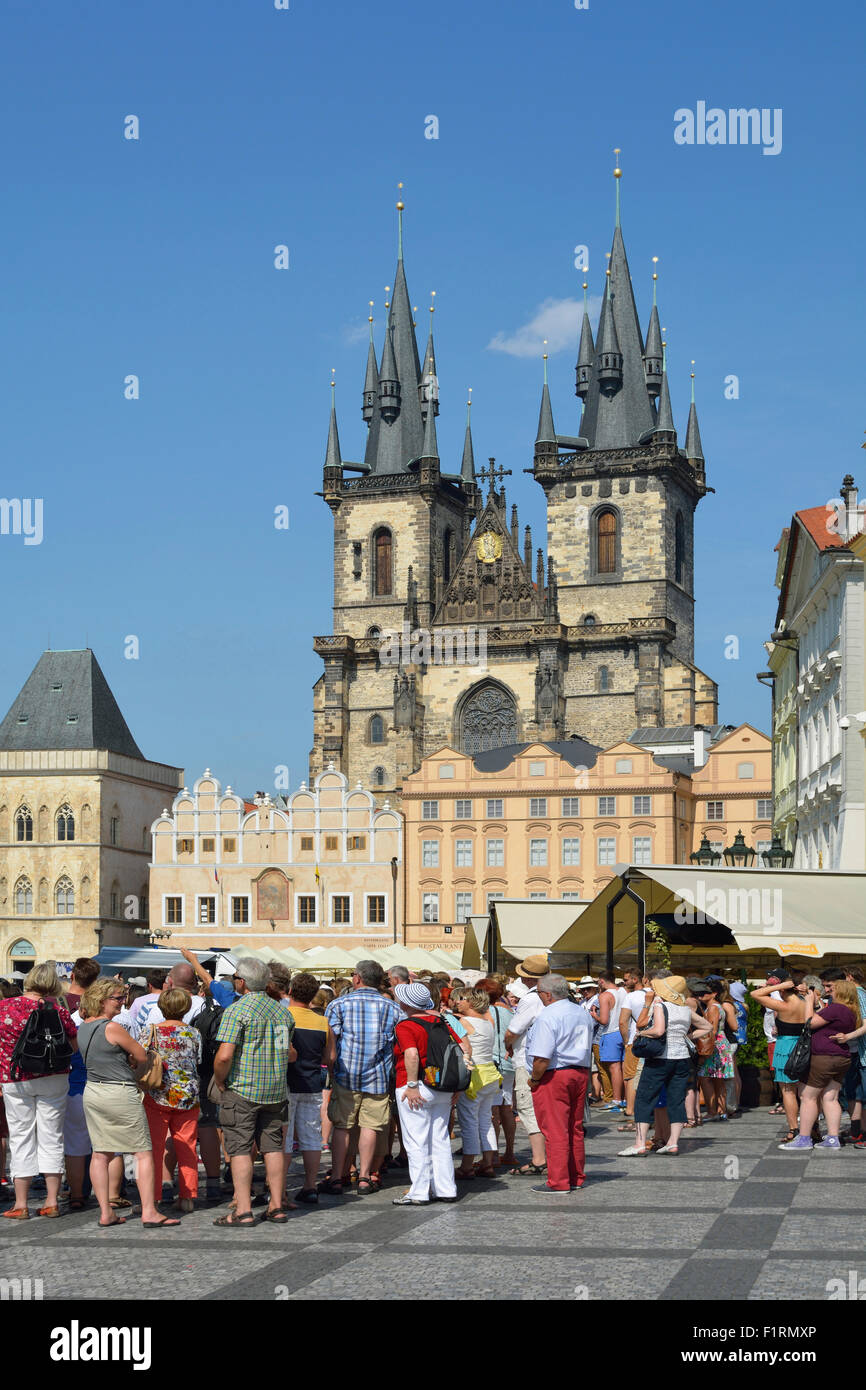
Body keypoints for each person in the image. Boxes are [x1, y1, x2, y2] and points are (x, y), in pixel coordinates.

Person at [77, 978, 180, 1228]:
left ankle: (105, 1212)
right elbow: (141, 1054)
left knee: (100, 1153)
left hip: (93, 1091)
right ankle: (149, 1212)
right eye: (117, 998)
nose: (122, 1003)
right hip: (119, 1092)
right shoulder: (111, 1027)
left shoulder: (83, 1027)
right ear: (102, 1000)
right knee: (143, 1152)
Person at [212, 957, 296, 1226]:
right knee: (273, 1148)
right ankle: (276, 1205)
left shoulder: (237, 1011)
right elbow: (287, 1051)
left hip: (243, 1088)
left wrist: (220, 1080)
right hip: (275, 1090)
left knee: (239, 1149)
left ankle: (243, 1209)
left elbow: (224, 1056)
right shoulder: (282, 1012)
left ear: (242, 982)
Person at [0, 960, 78, 1221]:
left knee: (20, 1136)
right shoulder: (58, 1009)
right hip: (54, 1076)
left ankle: (21, 1204)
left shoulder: (5, 1007)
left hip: (16, 1078)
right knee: (51, 1136)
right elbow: (73, 1047)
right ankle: (52, 1201)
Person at [321, 961, 401, 1197]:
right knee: (371, 1126)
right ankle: (365, 1177)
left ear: (357, 978)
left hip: (346, 1074)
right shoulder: (392, 1008)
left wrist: (331, 1068)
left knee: (342, 1127)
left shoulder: (339, 1004)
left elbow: (330, 1041)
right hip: (377, 1076)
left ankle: (337, 1176)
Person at [391, 982, 469, 1206]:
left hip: (414, 1084)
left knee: (416, 1140)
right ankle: (446, 1188)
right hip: (443, 1086)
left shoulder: (406, 1025)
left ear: (406, 1003)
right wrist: (457, 1086)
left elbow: (412, 1055)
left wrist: (413, 1084)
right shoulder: (443, 1020)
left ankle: (419, 1191)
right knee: (440, 1138)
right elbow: (464, 1049)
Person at [619, 976, 712, 1158]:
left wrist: (642, 1033)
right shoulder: (684, 1009)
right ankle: (673, 1143)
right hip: (682, 1059)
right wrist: (687, 1037)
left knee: (644, 1099)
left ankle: (639, 1144)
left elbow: (659, 1030)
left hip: (660, 1059)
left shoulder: (660, 1006)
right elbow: (707, 1026)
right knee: (676, 1100)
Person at [525, 974, 594, 1193]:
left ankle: (558, 1181)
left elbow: (542, 1057)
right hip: (580, 1071)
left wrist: (535, 1079)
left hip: (555, 1075)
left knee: (555, 1130)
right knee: (574, 1128)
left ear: (546, 994)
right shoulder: (580, 1012)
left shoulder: (548, 1016)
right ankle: (575, 1176)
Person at [779, 975, 859, 1152]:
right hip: (841, 1057)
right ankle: (832, 1139)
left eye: (833, 988)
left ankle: (804, 1139)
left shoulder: (836, 1008)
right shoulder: (850, 1011)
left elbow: (810, 1023)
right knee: (830, 1098)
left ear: (842, 992)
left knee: (808, 1097)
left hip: (824, 1057)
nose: (829, 990)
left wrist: (808, 1002)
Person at [141, 987, 203, 1213]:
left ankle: (154, 1197)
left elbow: (140, 1059)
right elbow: (197, 1061)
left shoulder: (151, 1031)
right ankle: (188, 1196)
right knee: (187, 1146)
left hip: (158, 1094)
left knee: (154, 1148)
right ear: (186, 1008)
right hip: (188, 1096)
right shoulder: (194, 1033)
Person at [283, 972, 336, 1205]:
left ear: (291, 991)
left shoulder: (283, 1015)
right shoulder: (323, 1022)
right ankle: (310, 1185)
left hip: (286, 1083)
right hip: (313, 1083)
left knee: (283, 1139)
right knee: (312, 1137)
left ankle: (279, 1186)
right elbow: (330, 1057)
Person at [503, 954, 549, 1176]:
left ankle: (539, 1159)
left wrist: (507, 1045)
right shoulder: (554, 997)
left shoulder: (531, 999)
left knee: (528, 1109)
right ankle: (548, 1156)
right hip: (547, 1060)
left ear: (528, 979)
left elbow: (513, 1030)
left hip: (527, 1059)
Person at [751, 971, 807, 1143]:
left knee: (788, 1091)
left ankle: (793, 1129)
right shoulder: (806, 1002)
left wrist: (779, 986)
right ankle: (811, 1128)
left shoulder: (783, 1006)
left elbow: (754, 994)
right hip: (804, 1046)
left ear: (784, 988)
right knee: (806, 1093)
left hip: (785, 1047)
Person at [453, 988, 502, 1180]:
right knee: (485, 1120)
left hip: (474, 1075)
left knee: (469, 1122)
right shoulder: (488, 1022)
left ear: (471, 1003)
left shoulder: (463, 1022)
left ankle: (467, 1166)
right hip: (490, 1073)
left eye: (461, 999)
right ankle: (488, 1163)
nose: (457, 1002)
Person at [477, 977, 517, 1167]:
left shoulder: (484, 1013)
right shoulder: (510, 1011)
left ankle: (492, 1155)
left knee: (491, 1110)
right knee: (507, 1108)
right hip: (509, 1064)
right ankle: (509, 1152)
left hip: (491, 1064)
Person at [695, 978, 736, 1120]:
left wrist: (704, 1052)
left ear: (714, 993)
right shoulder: (717, 1006)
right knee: (718, 1079)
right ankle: (721, 1110)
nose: (701, 995)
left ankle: (712, 1111)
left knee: (704, 1077)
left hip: (714, 1044)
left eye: (705, 992)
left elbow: (711, 1030)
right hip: (721, 1043)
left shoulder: (713, 1008)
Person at [591, 969, 628, 1111]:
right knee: (624, 1068)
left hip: (610, 1032)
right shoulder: (624, 992)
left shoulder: (605, 995)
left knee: (614, 1068)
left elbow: (604, 1020)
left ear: (601, 981)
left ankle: (617, 1100)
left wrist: (595, 1015)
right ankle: (625, 1099)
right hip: (624, 1032)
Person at [617, 969, 647, 1133]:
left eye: (626, 980)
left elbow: (623, 1022)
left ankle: (631, 1109)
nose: (624, 983)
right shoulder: (655, 994)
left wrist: (626, 1041)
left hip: (635, 1041)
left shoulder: (631, 997)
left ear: (635, 980)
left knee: (630, 1077)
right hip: (654, 1042)